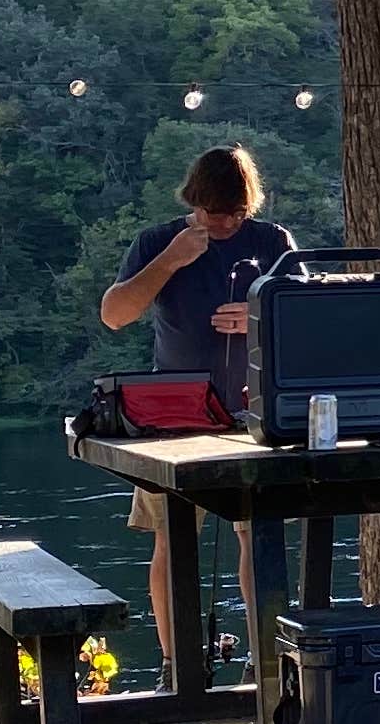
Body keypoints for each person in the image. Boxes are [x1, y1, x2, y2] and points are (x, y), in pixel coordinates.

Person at [99, 145, 293, 642]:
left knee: (257, 534)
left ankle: (264, 658)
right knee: (172, 539)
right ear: (194, 202)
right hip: (174, 419)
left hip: (255, 413)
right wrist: (171, 259)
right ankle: (173, 662)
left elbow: (309, 320)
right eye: (212, 212)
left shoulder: (272, 241)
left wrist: (258, 321)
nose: (224, 222)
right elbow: (115, 315)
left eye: (234, 213)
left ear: (248, 205)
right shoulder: (158, 241)